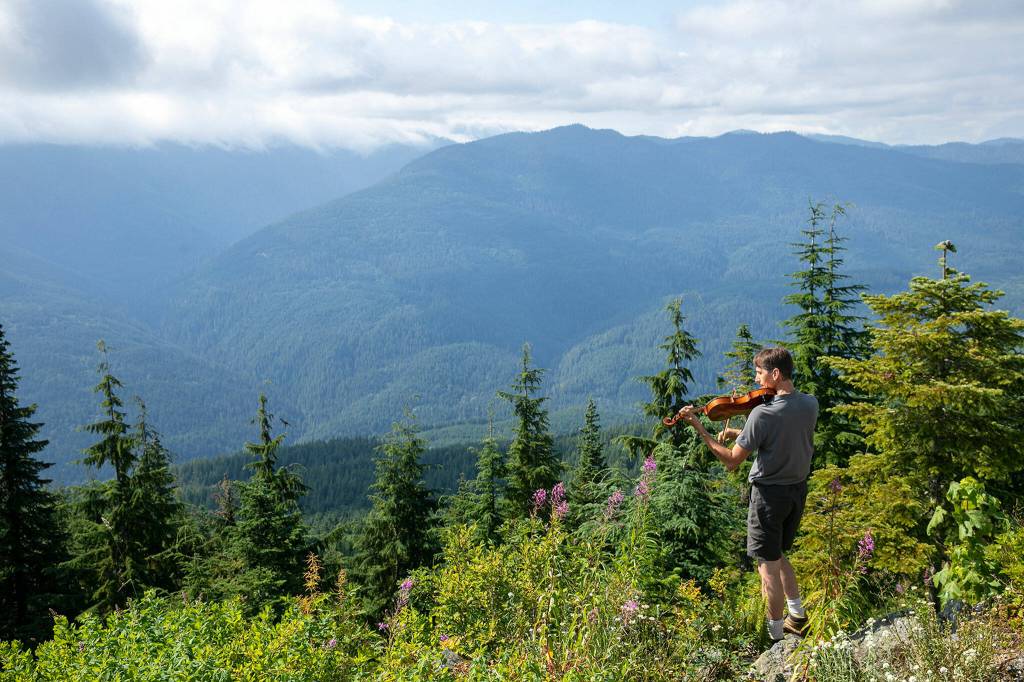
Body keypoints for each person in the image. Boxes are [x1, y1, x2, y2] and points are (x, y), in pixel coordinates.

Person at [673, 347, 818, 643]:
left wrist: (699, 427)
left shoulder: (762, 414)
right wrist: (741, 432)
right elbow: (782, 432)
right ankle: (798, 614)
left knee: (767, 569)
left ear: (775, 374)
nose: (756, 378)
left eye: (759, 373)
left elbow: (731, 460)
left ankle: (776, 637)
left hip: (767, 498)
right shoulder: (809, 404)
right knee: (777, 554)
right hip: (796, 492)